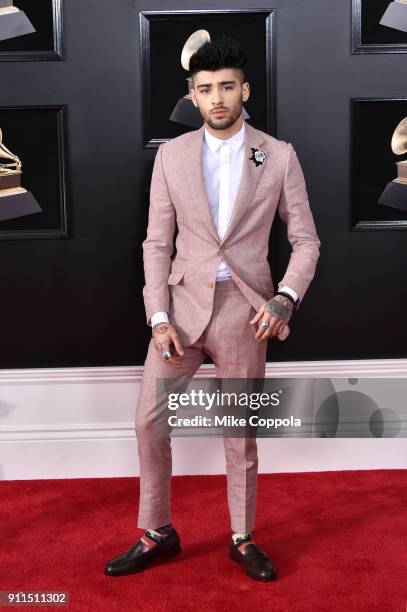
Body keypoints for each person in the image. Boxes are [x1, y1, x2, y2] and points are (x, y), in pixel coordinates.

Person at [104, 33, 320, 581]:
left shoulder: (279, 155)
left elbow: (307, 240)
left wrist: (285, 297)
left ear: (244, 89)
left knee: (238, 432)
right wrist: (157, 317)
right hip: (178, 312)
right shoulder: (171, 156)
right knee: (149, 423)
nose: (217, 97)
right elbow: (155, 243)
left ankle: (242, 537)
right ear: (193, 96)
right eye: (206, 89)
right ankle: (158, 533)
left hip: (246, 311)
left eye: (227, 86)